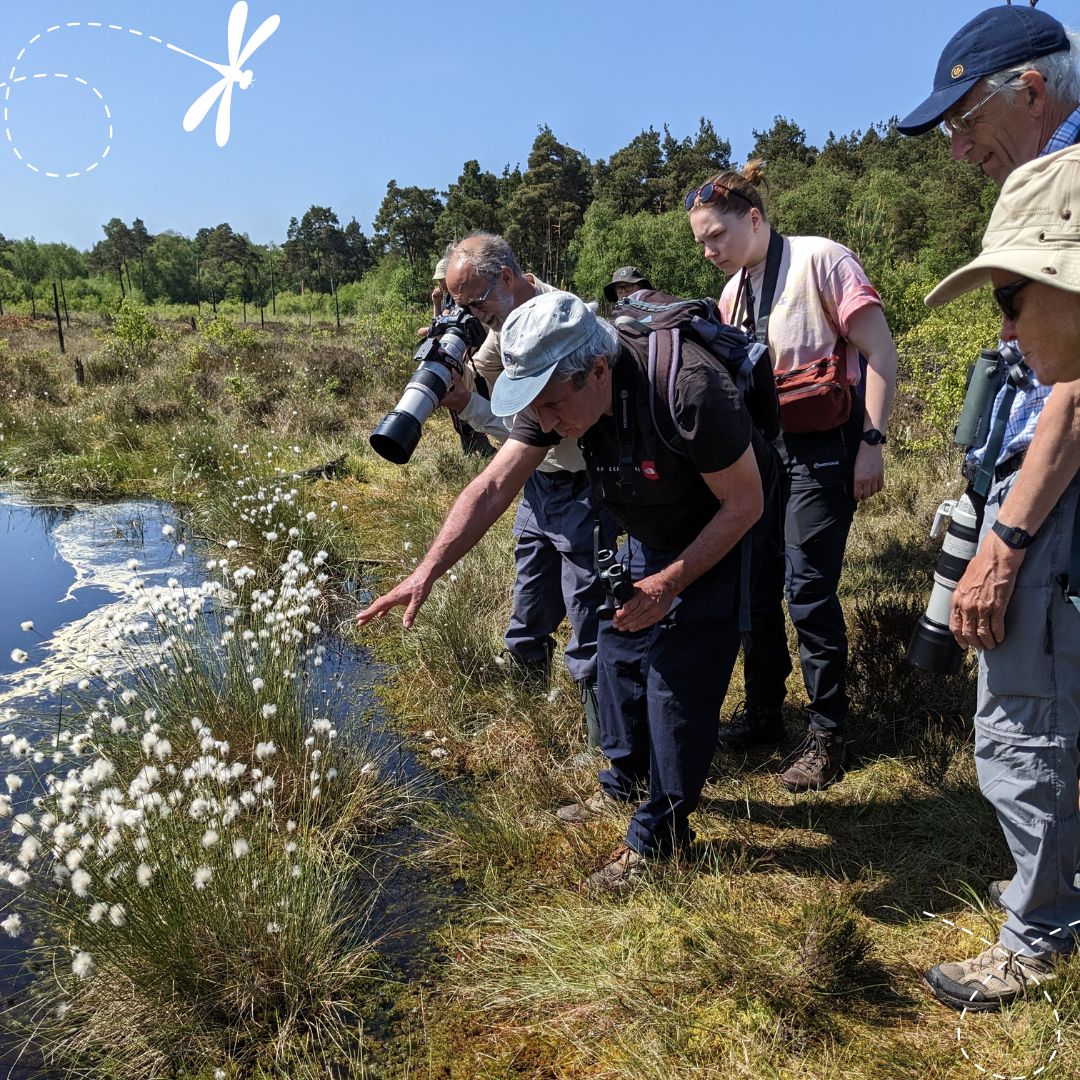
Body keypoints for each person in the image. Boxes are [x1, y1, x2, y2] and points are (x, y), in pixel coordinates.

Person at [358, 291, 777, 891]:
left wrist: (668, 582)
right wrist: (426, 571)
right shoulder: (559, 391)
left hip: (721, 529)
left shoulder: (689, 388)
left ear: (599, 370)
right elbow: (495, 485)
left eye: (553, 406)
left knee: (676, 682)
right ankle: (626, 786)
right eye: (539, 410)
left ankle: (660, 839)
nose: (548, 424)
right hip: (644, 527)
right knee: (618, 656)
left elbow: (746, 503)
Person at [898, 4, 1080, 1011]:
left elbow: (1075, 391)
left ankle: (1035, 937)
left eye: (966, 120)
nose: (960, 147)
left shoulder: (1072, 184)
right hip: (1034, 497)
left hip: (1048, 512)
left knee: (1024, 722)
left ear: (1034, 88)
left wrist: (1004, 542)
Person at [687, 162, 898, 792]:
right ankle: (764, 715)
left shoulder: (822, 261)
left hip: (827, 447)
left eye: (716, 236)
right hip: (764, 455)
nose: (708, 251)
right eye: (700, 241)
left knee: (807, 588)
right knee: (755, 585)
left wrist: (872, 444)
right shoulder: (732, 295)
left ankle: (829, 731)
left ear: (753, 219)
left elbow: (881, 351)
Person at [438, 233, 615, 745]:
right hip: (541, 486)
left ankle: (605, 748)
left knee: (589, 612)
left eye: (474, 301)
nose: (471, 314)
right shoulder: (502, 325)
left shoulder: (562, 329)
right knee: (530, 601)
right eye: (459, 304)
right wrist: (450, 374)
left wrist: (470, 406)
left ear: (508, 280)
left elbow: (525, 430)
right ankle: (527, 716)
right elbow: (498, 398)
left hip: (583, 486)